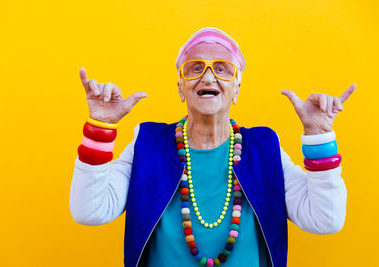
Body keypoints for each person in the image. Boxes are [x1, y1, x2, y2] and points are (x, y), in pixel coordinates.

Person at [69, 27, 355, 267]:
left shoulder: (264, 148)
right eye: (195, 68)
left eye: (222, 69)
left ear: (237, 89)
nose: (208, 77)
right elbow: (91, 211)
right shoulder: (147, 144)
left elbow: (324, 220)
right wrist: (100, 127)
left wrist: (319, 135)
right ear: (180, 87)